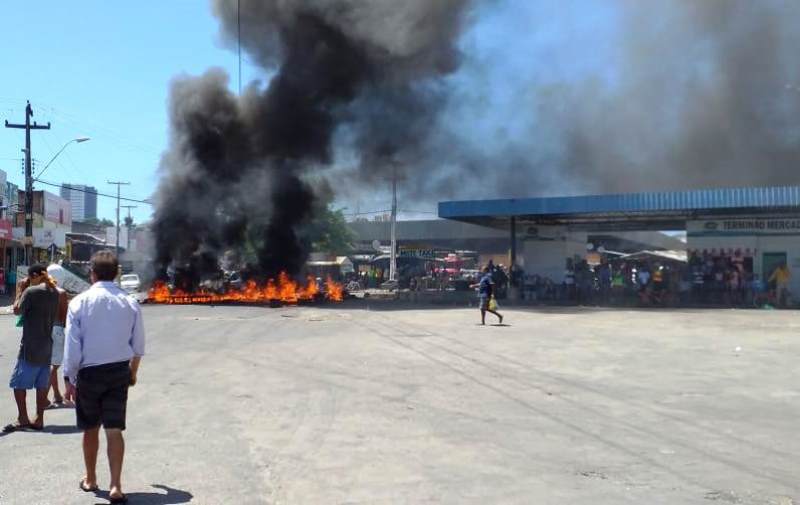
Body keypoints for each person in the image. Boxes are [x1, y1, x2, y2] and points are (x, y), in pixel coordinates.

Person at [63, 251, 146, 504]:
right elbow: (138, 346)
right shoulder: (130, 302)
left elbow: (72, 347)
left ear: (92, 273)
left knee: (90, 428)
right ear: (117, 273)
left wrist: (69, 379)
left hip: (89, 373)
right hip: (118, 372)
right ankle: (116, 486)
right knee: (114, 429)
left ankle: (90, 479)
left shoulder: (79, 303)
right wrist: (132, 373)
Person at [4, 264, 59, 433]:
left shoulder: (31, 292)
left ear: (34, 276)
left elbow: (16, 310)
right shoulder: (54, 292)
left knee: (18, 384)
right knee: (41, 385)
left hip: (30, 347)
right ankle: (39, 418)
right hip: (47, 345)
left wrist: (20, 290)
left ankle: (23, 418)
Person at [46, 267, 70, 408]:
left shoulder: (40, 291)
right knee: (54, 366)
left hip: (43, 330)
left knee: (50, 364)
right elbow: (64, 317)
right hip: (57, 329)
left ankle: (56, 395)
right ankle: (43, 398)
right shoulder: (61, 293)